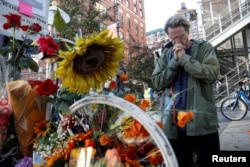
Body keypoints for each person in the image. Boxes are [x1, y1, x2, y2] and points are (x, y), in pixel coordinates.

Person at [151, 15, 220, 167]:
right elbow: (157, 82)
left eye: (181, 36)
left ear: (188, 32)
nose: (177, 41)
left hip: (202, 124)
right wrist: (174, 63)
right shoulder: (167, 54)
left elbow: (212, 74)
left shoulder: (204, 48)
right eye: (173, 38)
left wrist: (184, 59)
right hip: (175, 126)